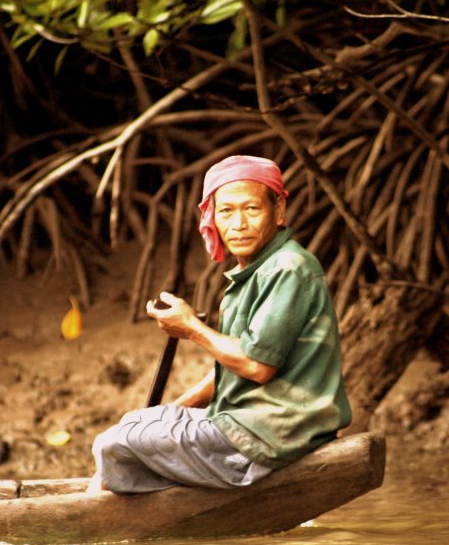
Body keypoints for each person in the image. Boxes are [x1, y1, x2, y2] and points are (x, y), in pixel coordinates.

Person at [88, 154, 352, 493]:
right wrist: (173, 410)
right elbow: (233, 366)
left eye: (251, 210)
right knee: (135, 422)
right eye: (226, 211)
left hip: (273, 433)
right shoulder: (255, 271)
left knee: (113, 444)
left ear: (279, 211)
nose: (238, 224)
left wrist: (191, 328)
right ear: (212, 217)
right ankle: (133, 499)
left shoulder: (288, 268)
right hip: (246, 421)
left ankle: (115, 518)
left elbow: (256, 366)